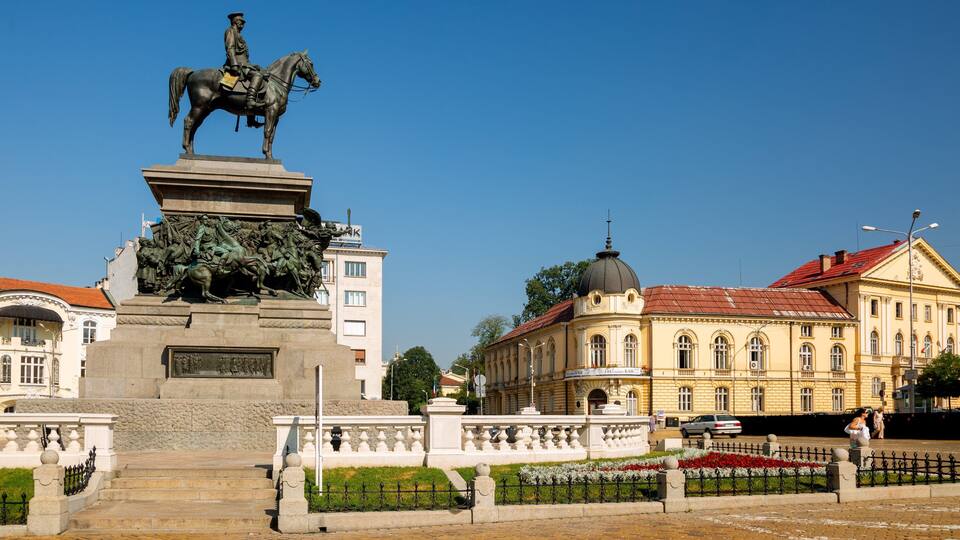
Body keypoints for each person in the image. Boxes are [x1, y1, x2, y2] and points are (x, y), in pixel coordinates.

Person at [224, 12, 264, 111]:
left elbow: (244, 57)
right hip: (237, 64)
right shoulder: (230, 31)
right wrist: (234, 64)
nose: (243, 24)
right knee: (257, 76)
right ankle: (250, 101)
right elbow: (230, 48)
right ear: (235, 22)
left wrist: (253, 65)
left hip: (244, 64)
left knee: (261, 73)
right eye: (241, 22)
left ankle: (250, 117)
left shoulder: (238, 34)